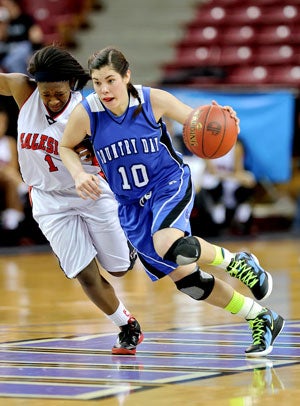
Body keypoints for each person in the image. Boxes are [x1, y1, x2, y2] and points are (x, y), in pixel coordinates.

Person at [60, 46, 285, 357]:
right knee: (189, 281)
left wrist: (223, 119)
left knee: (170, 243)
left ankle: (239, 263)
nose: (104, 89)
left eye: (110, 80)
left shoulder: (153, 100)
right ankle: (260, 317)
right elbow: (65, 146)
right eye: (97, 82)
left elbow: (198, 122)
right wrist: (76, 174)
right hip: (131, 206)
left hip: (167, 184)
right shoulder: (88, 112)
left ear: (127, 76)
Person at [0, 45, 143, 355]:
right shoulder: (22, 91)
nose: (51, 100)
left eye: (58, 94)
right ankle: (126, 325)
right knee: (85, 274)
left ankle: (130, 239)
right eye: (45, 93)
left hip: (92, 191)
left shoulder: (90, 111)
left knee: (118, 270)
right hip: (49, 199)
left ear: (72, 86)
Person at [198, 139, 257, 236]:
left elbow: (238, 170)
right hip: (215, 179)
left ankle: (242, 208)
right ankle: (217, 207)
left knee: (249, 179)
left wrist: (236, 178)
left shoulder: (237, 146)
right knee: (211, 182)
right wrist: (228, 176)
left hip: (229, 178)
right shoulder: (206, 143)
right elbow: (212, 171)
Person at [0, 105, 26, 232]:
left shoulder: (9, 142)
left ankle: (12, 221)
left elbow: (14, 168)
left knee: (11, 180)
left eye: (3, 123)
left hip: (8, 181)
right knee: (5, 171)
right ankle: (24, 188)